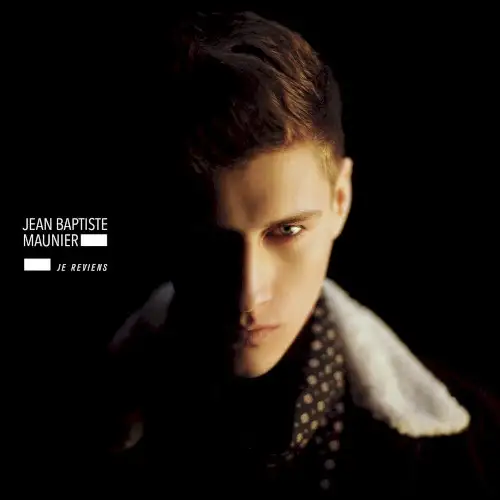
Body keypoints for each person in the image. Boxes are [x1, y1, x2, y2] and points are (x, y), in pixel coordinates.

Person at [103, 11, 499, 497]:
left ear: (341, 201)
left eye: (287, 231)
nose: (249, 294)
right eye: (210, 242)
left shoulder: (474, 449)